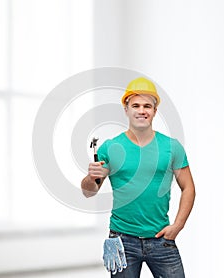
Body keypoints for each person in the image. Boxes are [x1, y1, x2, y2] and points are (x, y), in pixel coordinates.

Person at [81, 77, 196, 277]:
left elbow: (188, 188)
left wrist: (178, 225)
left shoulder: (172, 147)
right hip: (123, 240)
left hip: (161, 239)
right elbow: (88, 192)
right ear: (126, 110)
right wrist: (91, 177)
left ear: (154, 111)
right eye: (135, 105)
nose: (141, 110)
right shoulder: (110, 147)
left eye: (147, 106)